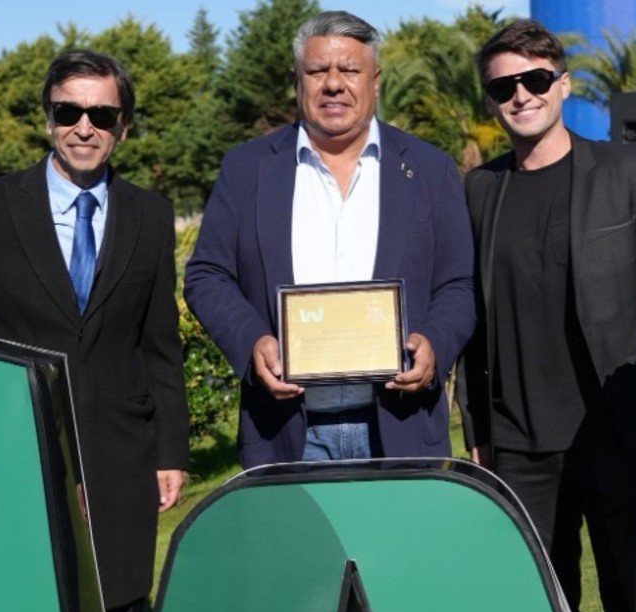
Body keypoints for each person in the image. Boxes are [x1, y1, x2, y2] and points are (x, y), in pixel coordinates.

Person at [0, 50, 189, 612]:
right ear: (48, 117)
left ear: (124, 126)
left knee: (118, 604)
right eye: (68, 112)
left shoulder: (151, 215)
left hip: (121, 457)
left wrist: (171, 453)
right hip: (16, 454)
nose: (84, 127)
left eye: (102, 115)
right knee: (26, 603)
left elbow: (160, 343)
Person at [456, 19, 636, 612]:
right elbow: (472, 318)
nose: (522, 95)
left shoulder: (625, 170)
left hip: (615, 428)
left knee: (635, 597)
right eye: (503, 87)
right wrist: (477, 426)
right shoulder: (479, 190)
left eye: (536, 79)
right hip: (518, 443)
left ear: (564, 84)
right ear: (491, 102)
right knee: (539, 608)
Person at [184, 11, 475, 469]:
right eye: (318, 71)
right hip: (285, 432)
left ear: (375, 80)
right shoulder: (247, 169)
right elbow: (208, 274)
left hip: (401, 427)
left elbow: (459, 283)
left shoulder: (429, 168)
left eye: (350, 70)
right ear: (296, 80)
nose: (334, 84)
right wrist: (252, 341)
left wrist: (435, 343)